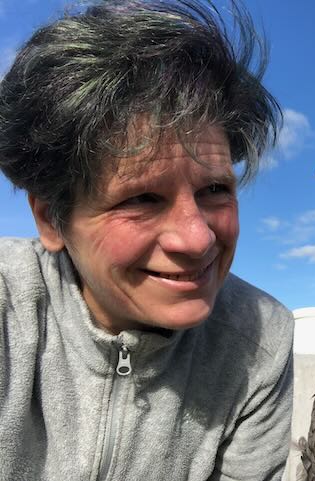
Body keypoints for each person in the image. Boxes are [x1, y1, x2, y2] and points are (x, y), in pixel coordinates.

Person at [0, 1, 294, 480]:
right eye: (141, 198)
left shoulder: (262, 338)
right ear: (51, 218)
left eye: (215, 189)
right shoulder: (8, 310)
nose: (197, 239)